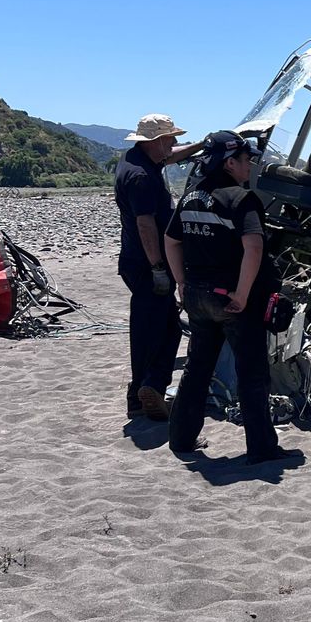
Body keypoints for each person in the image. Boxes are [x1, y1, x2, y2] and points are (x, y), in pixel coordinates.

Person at [164, 131, 295, 463]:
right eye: (246, 160)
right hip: (232, 299)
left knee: (197, 368)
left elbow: (171, 240)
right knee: (252, 372)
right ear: (229, 161)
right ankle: (262, 448)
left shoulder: (191, 196)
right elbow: (254, 246)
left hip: (197, 295)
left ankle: (181, 438)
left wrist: (181, 282)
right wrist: (243, 292)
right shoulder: (240, 198)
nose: (249, 165)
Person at [114, 112, 202, 420]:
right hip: (145, 263)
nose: (175, 142)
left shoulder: (137, 159)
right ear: (156, 141)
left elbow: (171, 157)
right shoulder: (141, 178)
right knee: (157, 329)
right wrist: (158, 268)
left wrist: (201, 145)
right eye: (171, 137)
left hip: (137, 262)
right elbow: (145, 225)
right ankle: (147, 388)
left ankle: (142, 391)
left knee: (157, 327)